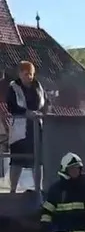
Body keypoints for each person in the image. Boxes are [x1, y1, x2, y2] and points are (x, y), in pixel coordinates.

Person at [6, 61, 48, 193]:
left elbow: (46, 103)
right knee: (17, 159)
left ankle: (37, 188)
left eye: (30, 74)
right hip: (19, 129)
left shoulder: (39, 87)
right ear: (20, 74)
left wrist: (41, 113)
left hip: (36, 127)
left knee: (37, 160)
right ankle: (13, 189)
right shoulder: (13, 87)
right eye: (25, 74)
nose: (28, 76)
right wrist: (26, 113)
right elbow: (11, 106)